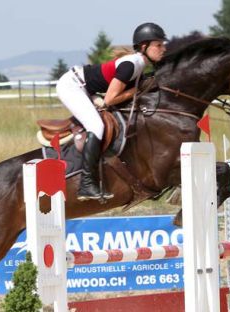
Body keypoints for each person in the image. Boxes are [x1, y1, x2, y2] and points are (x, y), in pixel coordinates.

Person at [56, 22, 167, 201]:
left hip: (86, 88)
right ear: (144, 46)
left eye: (163, 45)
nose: (163, 49)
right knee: (96, 126)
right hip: (71, 86)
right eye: (158, 45)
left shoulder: (139, 65)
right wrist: (138, 89)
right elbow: (110, 99)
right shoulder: (132, 64)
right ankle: (86, 184)